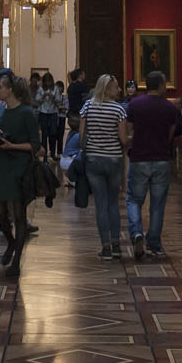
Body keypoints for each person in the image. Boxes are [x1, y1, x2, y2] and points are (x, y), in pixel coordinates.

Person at [123, 70, 182, 260]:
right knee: (157, 204)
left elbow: (129, 131)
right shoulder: (170, 108)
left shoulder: (134, 105)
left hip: (139, 157)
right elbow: (170, 134)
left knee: (134, 199)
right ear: (162, 85)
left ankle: (137, 233)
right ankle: (154, 244)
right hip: (161, 158)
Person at [0, 75, 41, 276]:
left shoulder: (27, 112)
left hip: (19, 167)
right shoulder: (1, 111)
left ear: (10, 89)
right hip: (2, 165)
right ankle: (11, 242)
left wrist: (13, 146)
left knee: (18, 215)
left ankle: (17, 260)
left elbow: (35, 146)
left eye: (0, 87)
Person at [76, 73, 129, 259]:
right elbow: (122, 139)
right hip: (113, 158)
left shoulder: (88, 106)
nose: (120, 89)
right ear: (107, 89)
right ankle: (116, 244)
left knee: (100, 204)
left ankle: (105, 247)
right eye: (116, 87)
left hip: (93, 158)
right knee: (113, 203)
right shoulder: (119, 110)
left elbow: (82, 136)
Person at [35, 72, 65, 157]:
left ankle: (52, 153)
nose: (48, 83)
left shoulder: (55, 88)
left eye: (49, 81)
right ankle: (44, 154)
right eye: (46, 81)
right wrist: (43, 96)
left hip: (53, 112)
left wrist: (54, 97)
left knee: (53, 133)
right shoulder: (41, 88)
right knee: (44, 134)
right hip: (43, 112)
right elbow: (37, 100)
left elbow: (59, 100)